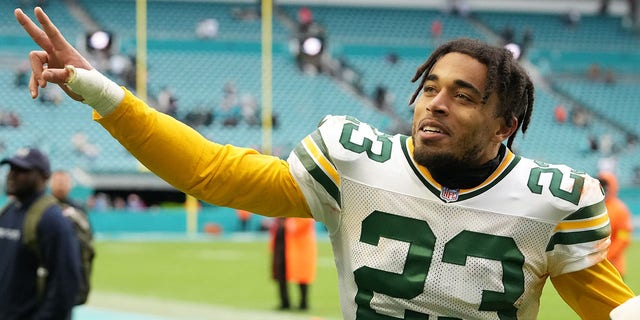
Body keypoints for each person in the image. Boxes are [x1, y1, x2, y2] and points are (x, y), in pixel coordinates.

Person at [15, 7, 635, 319]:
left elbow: (615, 311)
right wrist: (102, 91)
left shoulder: (553, 201)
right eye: (429, 87)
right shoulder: (356, 164)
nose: (434, 105)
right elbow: (209, 171)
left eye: (463, 95)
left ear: (506, 125)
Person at [0, 147, 83, 319]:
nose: (12, 175)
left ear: (44, 176)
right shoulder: (7, 211)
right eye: (11, 168)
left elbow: (66, 285)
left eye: (22, 170)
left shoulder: (52, 220)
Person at [270, 217, 317, 310]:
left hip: (298, 247)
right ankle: (285, 302)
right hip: (283, 243)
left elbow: (295, 227)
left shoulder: (303, 216)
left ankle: (303, 302)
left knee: (302, 275)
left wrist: (286, 223)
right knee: (280, 273)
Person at [598, 171, 633, 278]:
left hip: (613, 266)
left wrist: (606, 257)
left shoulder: (619, 209)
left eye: (605, 186)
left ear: (612, 187)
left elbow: (623, 238)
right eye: (601, 185)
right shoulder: (591, 207)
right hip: (593, 266)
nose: (603, 189)